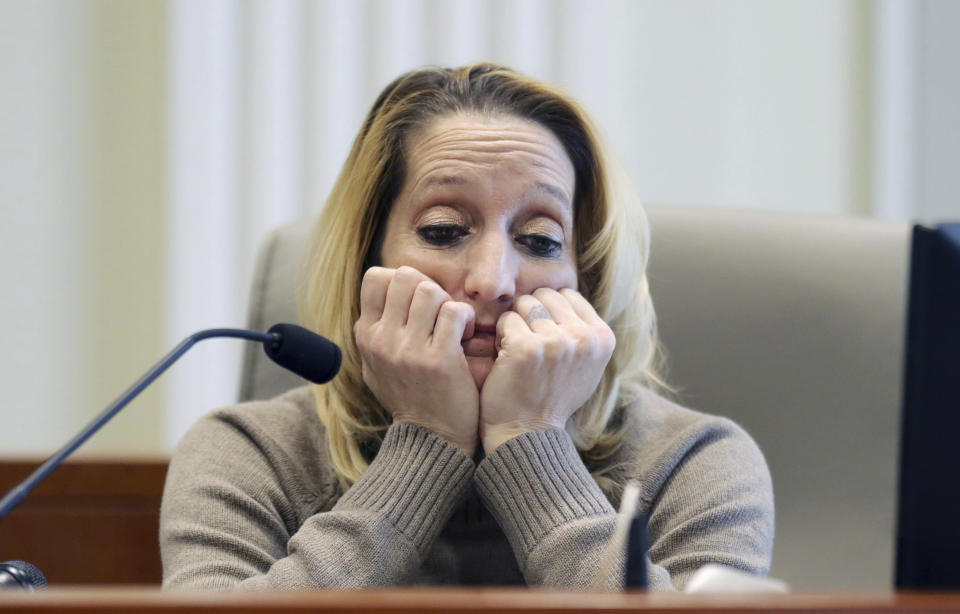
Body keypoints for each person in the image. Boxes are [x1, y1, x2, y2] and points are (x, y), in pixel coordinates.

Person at [160, 63, 773, 591]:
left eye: (539, 239)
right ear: (366, 262)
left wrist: (530, 437)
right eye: (445, 230)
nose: (492, 280)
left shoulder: (693, 461)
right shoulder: (250, 452)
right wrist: (426, 440)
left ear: (588, 277)